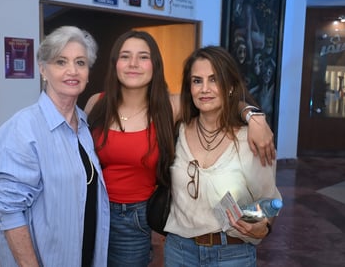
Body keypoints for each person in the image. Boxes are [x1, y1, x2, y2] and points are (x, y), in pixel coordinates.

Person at [84, 30, 276, 267]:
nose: (133, 64)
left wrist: (254, 116)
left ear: (155, 65)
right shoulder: (96, 104)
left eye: (143, 56)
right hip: (93, 210)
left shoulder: (170, 107)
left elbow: (216, 99)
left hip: (137, 219)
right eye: (125, 56)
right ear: (114, 63)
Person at [0, 26, 110, 267]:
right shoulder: (22, 129)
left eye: (80, 63)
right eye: (60, 62)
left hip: (82, 253)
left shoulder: (84, 125)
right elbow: (10, 212)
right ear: (43, 70)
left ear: (88, 72)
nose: (72, 71)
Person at [164, 45, 282, 267]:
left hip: (232, 254)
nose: (205, 89)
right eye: (197, 81)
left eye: (214, 79)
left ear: (229, 86)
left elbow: (269, 201)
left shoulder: (252, 140)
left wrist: (262, 226)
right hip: (179, 252)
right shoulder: (177, 129)